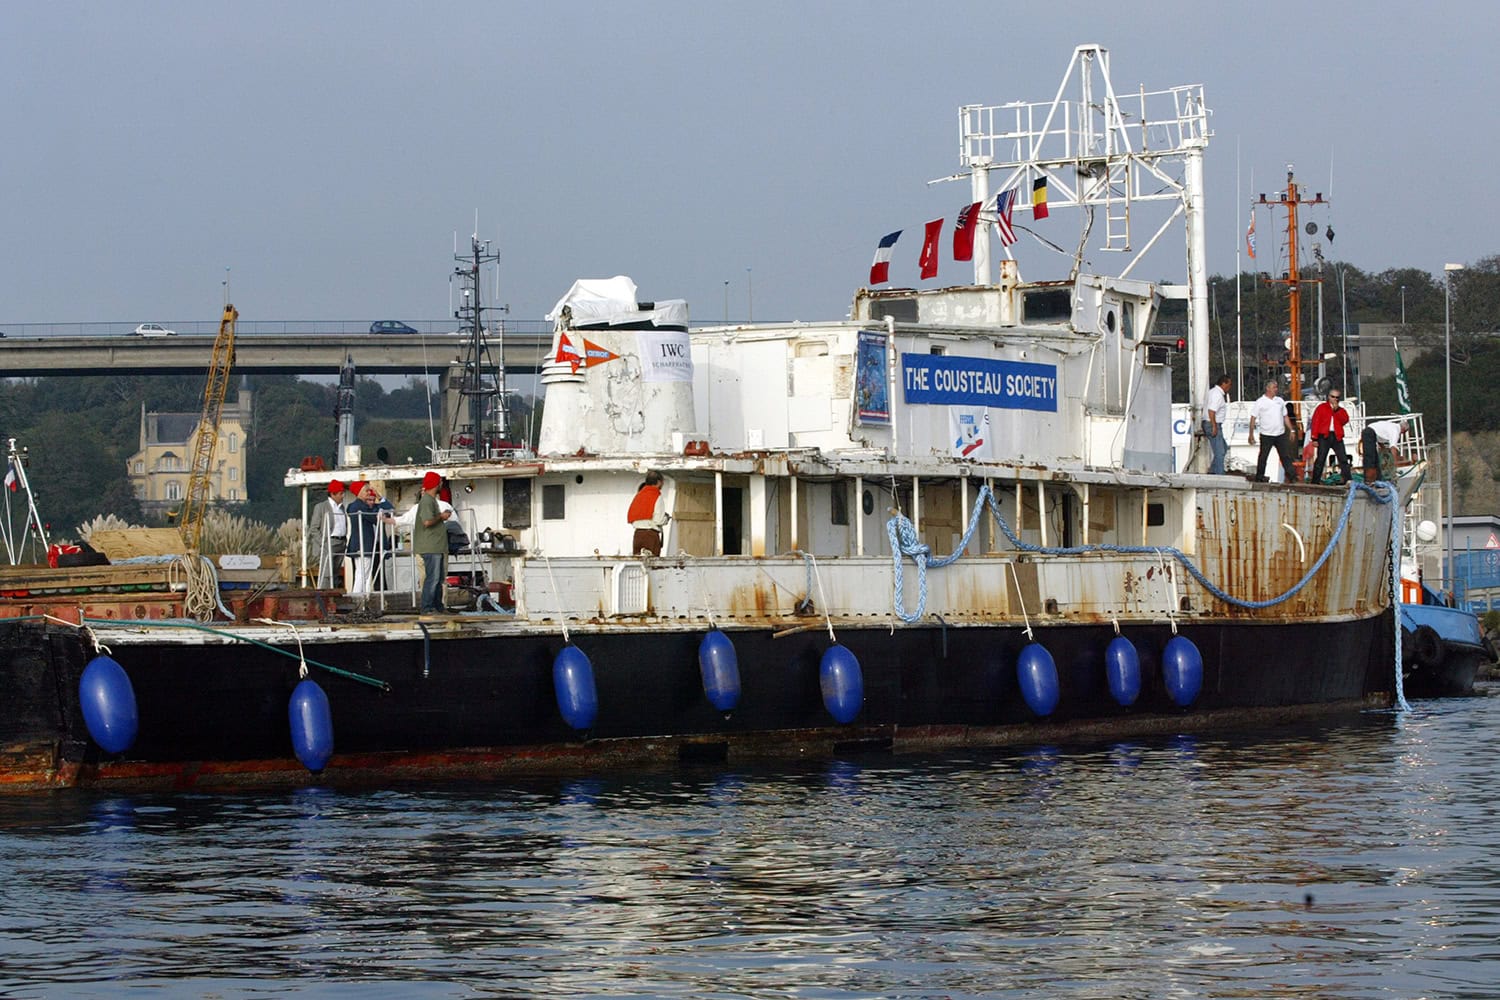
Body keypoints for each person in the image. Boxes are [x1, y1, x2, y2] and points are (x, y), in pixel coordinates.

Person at [411, 471, 452, 613]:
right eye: (440, 481)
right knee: (433, 579)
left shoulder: (430, 500)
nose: (441, 484)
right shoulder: (427, 501)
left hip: (436, 547)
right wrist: (442, 516)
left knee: (438, 579)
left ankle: (438, 606)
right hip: (430, 547)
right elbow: (427, 521)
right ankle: (427, 607)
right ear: (435, 484)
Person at [346, 481, 395, 597]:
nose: (369, 493)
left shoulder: (363, 506)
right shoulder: (357, 506)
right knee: (362, 573)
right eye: (366, 491)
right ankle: (357, 598)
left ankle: (363, 598)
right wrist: (380, 514)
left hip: (367, 545)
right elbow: (374, 518)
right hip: (363, 545)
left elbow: (390, 510)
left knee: (364, 574)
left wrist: (380, 498)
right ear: (359, 492)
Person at [1247, 379, 1295, 483]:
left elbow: (1285, 416)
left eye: (1276, 387)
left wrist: (1291, 430)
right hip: (1266, 434)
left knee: (1285, 456)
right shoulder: (1260, 402)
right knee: (1263, 457)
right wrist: (1251, 434)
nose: (1276, 389)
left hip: (1280, 434)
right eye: (1274, 387)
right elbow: (1253, 418)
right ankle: (1259, 477)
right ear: (1268, 388)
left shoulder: (1280, 401)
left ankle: (1292, 476)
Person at [1308, 390, 1353, 484]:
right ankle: (1315, 481)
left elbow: (1345, 420)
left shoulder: (1341, 410)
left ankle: (1348, 479)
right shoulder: (1321, 408)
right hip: (1324, 435)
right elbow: (1315, 422)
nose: (1335, 399)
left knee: (1343, 459)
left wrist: (1337, 411)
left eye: (1337, 397)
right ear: (1329, 397)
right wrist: (1314, 438)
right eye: (1333, 397)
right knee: (1320, 459)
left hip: (1336, 436)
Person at [626, 470, 670, 556]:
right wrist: (666, 519)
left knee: (638, 565)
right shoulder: (656, 495)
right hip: (650, 535)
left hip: (637, 535)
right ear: (658, 482)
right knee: (652, 566)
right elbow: (659, 520)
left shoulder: (639, 495)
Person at [316, 480, 350, 589]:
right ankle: (324, 595)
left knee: (336, 571)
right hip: (329, 541)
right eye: (340, 493)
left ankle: (333, 595)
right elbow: (313, 528)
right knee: (326, 572)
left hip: (341, 542)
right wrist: (323, 542)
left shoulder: (342, 507)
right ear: (332, 494)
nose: (343, 496)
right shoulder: (321, 507)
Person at [1202, 374, 1231, 474]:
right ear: (1223, 383)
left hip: (1211, 423)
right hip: (1213, 424)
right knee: (1220, 452)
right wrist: (1214, 426)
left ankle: (1213, 470)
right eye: (1228, 385)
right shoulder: (1217, 395)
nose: (1229, 387)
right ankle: (1219, 474)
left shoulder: (1213, 392)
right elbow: (1211, 411)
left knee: (1223, 447)